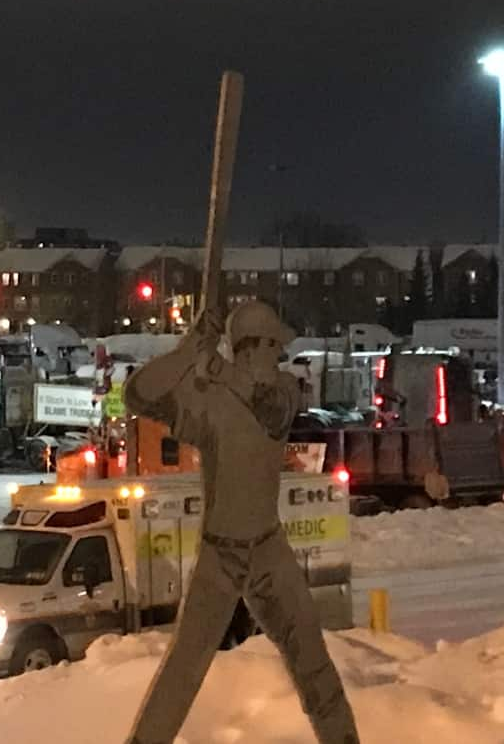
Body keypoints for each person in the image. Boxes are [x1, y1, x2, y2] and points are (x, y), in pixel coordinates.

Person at [123, 300, 359, 744]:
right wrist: (187, 352)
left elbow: (269, 411)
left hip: (269, 551)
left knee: (314, 662)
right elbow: (139, 395)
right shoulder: (209, 403)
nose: (280, 357)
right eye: (274, 348)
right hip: (221, 555)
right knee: (183, 671)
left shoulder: (284, 391)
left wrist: (216, 367)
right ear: (253, 347)